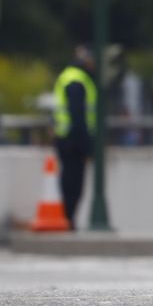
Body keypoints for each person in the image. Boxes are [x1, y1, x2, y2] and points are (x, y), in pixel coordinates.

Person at [52, 45, 98, 229]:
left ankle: (68, 219)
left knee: (69, 182)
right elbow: (78, 116)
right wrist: (86, 146)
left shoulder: (69, 76)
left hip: (65, 139)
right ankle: (68, 220)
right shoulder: (77, 80)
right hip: (73, 141)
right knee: (73, 184)